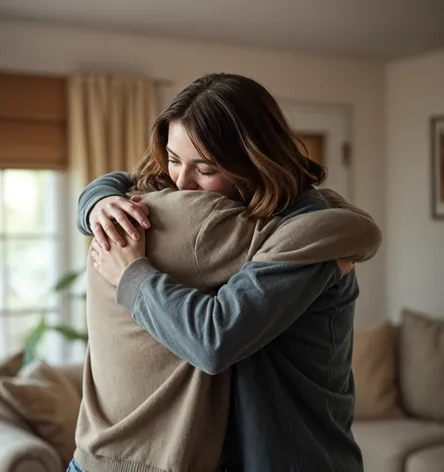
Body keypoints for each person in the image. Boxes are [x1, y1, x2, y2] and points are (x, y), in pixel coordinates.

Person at [75, 73, 375, 472]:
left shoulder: (293, 229)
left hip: (300, 452)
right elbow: (132, 180)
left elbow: (215, 339)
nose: (180, 183)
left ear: (254, 160)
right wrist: (97, 199)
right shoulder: (197, 212)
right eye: (174, 158)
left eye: (206, 168)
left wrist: (133, 273)